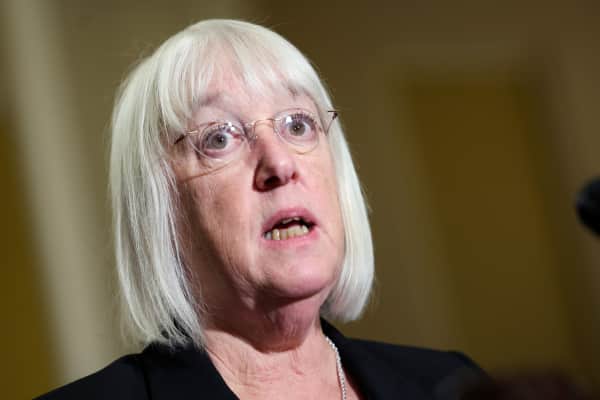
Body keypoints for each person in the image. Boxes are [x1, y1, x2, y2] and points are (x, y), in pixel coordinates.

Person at [37, 19, 485, 400]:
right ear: (162, 209)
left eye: (298, 124)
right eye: (219, 138)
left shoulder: (451, 384)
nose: (280, 163)